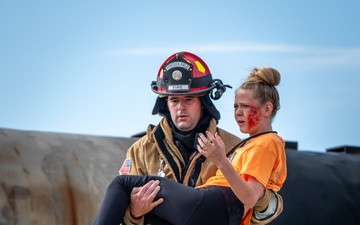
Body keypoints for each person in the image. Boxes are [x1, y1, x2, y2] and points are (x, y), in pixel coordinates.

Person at [92, 66, 287, 225]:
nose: (181, 107)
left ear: (203, 102)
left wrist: (259, 197)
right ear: (165, 104)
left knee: (120, 184)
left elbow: (256, 204)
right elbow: (118, 214)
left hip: (215, 210)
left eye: (189, 99)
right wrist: (134, 214)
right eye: (174, 100)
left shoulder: (233, 146)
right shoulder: (141, 151)